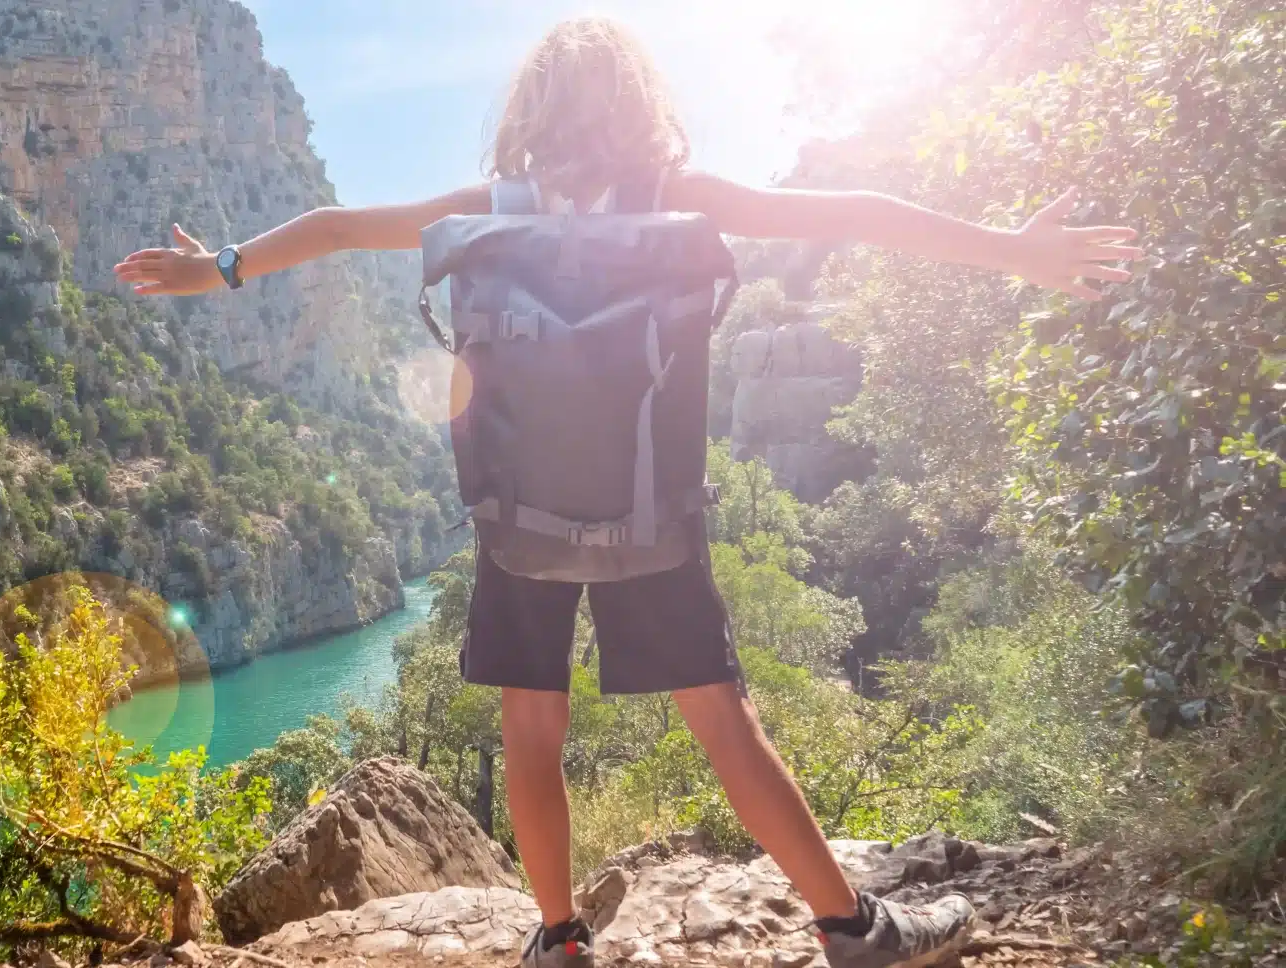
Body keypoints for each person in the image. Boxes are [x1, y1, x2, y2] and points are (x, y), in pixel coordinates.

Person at [115, 16, 1140, 968]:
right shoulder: (679, 193)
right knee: (724, 720)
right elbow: (854, 213)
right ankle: (852, 925)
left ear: (530, 111)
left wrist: (225, 269)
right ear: (641, 103)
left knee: (532, 722)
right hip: (653, 512)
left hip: (520, 515)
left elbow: (338, 228)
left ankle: (558, 937)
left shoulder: (494, 209)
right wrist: (1012, 250)